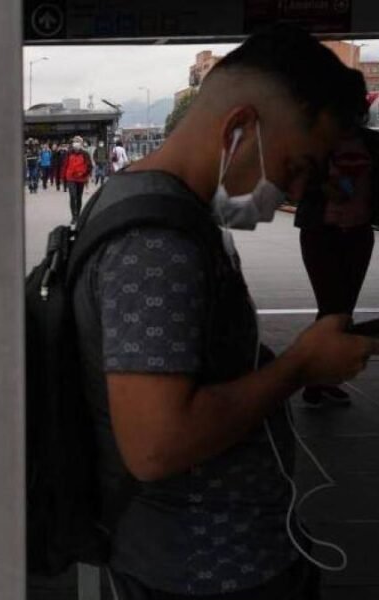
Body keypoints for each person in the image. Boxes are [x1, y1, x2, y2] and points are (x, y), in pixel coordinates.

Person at [66, 25, 370, 599]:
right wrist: (301, 368)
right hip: (202, 570)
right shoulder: (158, 242)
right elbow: (157, 443)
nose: (298, 189)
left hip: (219, 557)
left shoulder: (157, 204)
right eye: (298, 165)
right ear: (240, 128)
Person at [295, 126, 379, 407]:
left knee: (342, 310)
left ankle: (322, 377)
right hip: (321, 232)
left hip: (358, 232)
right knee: (331, 308)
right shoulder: (315, 141)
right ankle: (313, 376)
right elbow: (294, 183)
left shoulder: (372, 142)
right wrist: (322, 187)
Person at [62, 135, 92, 219]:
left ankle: (78, 214)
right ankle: (73, 216)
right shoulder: (68, 153)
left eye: (78, 141)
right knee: (72, 196)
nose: (76, 143)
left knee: (79, 197)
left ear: (81, 143)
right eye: (75, 141)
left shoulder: (85, 154)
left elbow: (89, 166)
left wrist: (84, 174)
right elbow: (65, 165)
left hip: (80, 178)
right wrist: (63, 177)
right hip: (70, 178)